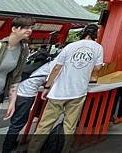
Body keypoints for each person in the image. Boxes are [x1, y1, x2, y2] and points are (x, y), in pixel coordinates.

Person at [27, 24, 103, 153]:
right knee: (70, 126)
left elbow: (57, 67)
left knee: (44, 125)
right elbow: (98, 68)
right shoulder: (98, 48)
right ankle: (65, 150)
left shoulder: (70, 46)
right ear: (95, 33)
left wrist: (47, 86)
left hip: (59, 92)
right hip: (78, 91)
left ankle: (33, 150)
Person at [0, 15, 34, 135]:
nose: (29, 30)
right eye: (26, 27)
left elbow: (16, 77)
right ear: (14, 29)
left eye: (31, 27)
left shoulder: (23, 49)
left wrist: (12, 102)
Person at [3, 58, 56, 153]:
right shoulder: (55, 65)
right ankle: (7, 148)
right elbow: (50, 81)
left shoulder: (46, 62)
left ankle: (11, 143)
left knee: (16, 121)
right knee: (17, 123)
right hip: (26, 94)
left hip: (20, 90)